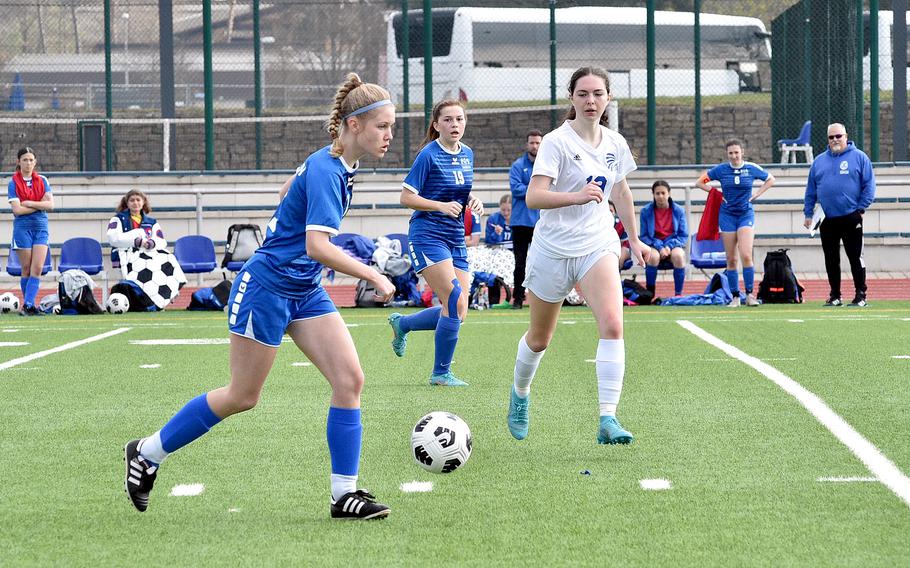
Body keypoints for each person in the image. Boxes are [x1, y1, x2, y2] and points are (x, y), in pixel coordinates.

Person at [123, 73, 397, 520]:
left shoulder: (334, 163)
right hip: (267, 287)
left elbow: (287, 192)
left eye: (390, 126)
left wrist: (289, 208)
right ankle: (147, 452)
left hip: (303, 289)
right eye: (382, 126)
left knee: (350, 381)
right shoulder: (329, 168)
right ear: (353, 125)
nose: (389, 135)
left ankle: (343, 495)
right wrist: (374, 274)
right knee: (242, 396)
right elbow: (317, 246)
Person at [505, 66, 648, 446]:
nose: (590, 101)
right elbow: (534, 197)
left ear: (608, 98)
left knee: (613, 325)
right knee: (539, 338)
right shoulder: (555, 142)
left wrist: (633, 240)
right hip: (553, 248)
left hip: (597, 244)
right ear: (571, 98)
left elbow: (622, 193)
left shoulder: (615, 143)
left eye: (598, 93)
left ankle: (608, 418)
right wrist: (576, 195)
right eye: (583, 94)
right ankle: (520, 395)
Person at [388, 99, 483, 387]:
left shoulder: (467, 154)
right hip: (428, 235)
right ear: (436, 124)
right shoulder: (428, 155)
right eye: (449, 120)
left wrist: (471, 200)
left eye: (460, 119)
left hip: (455, 237)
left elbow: (459, 191)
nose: (455, 125)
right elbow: (406, 197)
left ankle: (403, 324)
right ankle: (440, 373)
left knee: (459, 308)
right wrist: (440, 206)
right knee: (453, 299)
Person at [803, 123, 876, 307]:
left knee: (855, 256)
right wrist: (808, 213)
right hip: (827, 219)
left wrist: (860, 209)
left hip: (851, 216)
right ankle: (835, 295)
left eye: (838, 136)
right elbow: (810, 190)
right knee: (831, 259)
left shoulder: (859, 157)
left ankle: (861, 295)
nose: (835, 140)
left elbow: (869, 185)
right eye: (831, 137)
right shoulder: (819, 161)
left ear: (846, 136)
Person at [695, 139, 775, 307]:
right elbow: (700, 182)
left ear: (742, 152)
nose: (734, 156)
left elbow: (770, 179)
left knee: (746, 254)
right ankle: (735, 297)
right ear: (727, 154)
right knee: (731, 259)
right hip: (727, 215)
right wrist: (717, 193)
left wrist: (756, 195)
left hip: (745, 214)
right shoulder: (722, 169)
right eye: (731, 153)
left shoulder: (751, 168)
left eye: (736, 152)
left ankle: (750, 295)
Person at [8, 147, 55, 315]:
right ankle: (28, 305)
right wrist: (37, 204)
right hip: (22, 228)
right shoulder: (13, 183)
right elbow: (17, 211)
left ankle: (28, 305)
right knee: (26, 268)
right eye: (25, 160)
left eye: (31, 160)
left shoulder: (42, 180)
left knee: (38, 267)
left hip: (40, 227)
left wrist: (28, 203)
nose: (28, 163)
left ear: (35, 162)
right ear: (19, 162)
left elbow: (50, 205)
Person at [509, 130, 542, 309]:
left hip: (540, 222)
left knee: (542, 263)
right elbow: (516, 189)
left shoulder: (546, 165)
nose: (535, 146)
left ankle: (542, 299)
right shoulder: (517, 166)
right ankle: (518, 299)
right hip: (521, 222)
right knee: (520, 263)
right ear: (527, 144)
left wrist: (532, 189)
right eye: (532, 143)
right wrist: (538, 189)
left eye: (538, 143)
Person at [639, 180, 688, 296]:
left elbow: (683, 235)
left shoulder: (679, 211)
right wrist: (660, 247)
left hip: (673, 244)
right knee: (652, 257)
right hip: (654, 244)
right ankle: (650, 294)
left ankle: (678, 294)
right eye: (657, 193)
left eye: (663, 193)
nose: (660, 196)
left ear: (669, 194)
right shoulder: (645, 212)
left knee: (679, 256)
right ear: (653, 195)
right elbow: (644, 236)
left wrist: (668, 246)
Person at [106, 189, 168, 267]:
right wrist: (136, 241)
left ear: (143, 202)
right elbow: (113, 238)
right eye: (132, 200)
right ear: (127, 203)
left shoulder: (152, 222)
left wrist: (151, 243)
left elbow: (161, 241)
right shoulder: (117, 219)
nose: (135, 203)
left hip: (146, 261)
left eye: (138, 200)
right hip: (123, 261)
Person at [608, 200, 632, 268]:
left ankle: (616, 277)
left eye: (611, 211)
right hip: (604, 248)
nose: (609, 213)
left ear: (615, 213)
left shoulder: (620, 224)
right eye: (606, 211)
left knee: (617, 257)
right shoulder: (597, 224)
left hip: (622, 247)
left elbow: (624, 242)